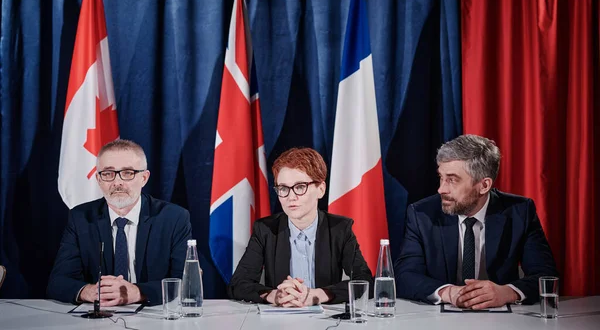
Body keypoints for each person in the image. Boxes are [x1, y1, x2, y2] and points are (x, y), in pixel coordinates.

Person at [395, 134, 558, 309]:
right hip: (440, 318)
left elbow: (545, 275)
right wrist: (449, 292)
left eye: (452, 179)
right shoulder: (421, 214)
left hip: (504, 319)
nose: (441, 189)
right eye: (441, 177)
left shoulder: (519, 212)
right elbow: (405, 275)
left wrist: (507, 292)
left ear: (484, 185)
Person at [47, 139, 192, 306]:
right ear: (98, 179)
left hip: (154, 316)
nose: (117, 182)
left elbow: (186, 281)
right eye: (108, 173)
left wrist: (137, 292)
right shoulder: (81, 218)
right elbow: (58, 281)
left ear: (144, 178)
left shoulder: (174, 218)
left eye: (128, 173)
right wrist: (90, 291)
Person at [228, 147, 373, 306]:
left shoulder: (339, 229)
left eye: (300, 187)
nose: (291, 197)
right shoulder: (265, 230)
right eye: (283, 188)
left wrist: (317, 295)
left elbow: (365, 282)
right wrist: (274, 295)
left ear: (320, 189)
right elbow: (238, 284)